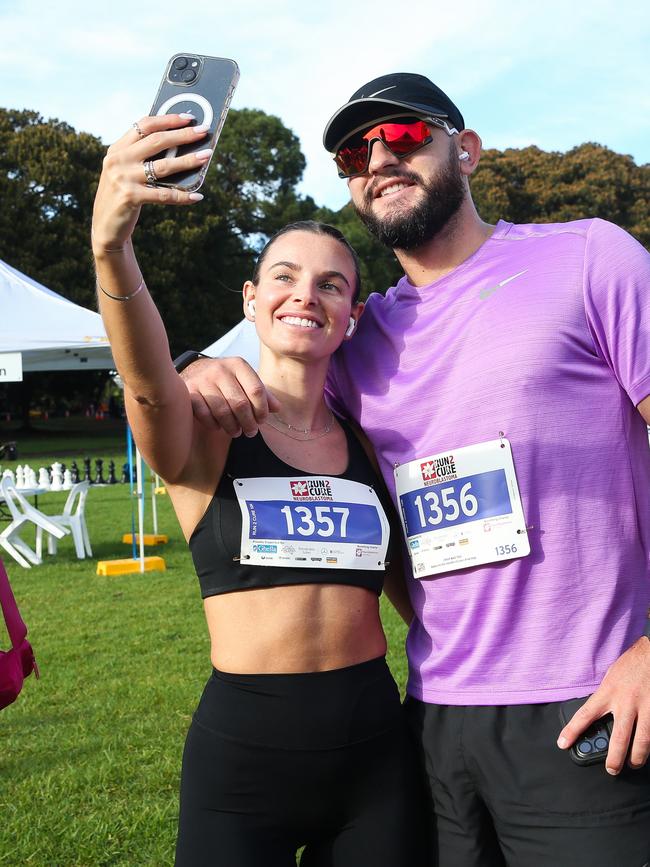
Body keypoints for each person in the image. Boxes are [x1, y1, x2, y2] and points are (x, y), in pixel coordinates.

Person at [180, 74, 650, 865]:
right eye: (355, 152)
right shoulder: (357, 343)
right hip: (431, 725)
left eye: (400, 137)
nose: (378, 159)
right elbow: (261, 390)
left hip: (592, 706)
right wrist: (196, 367)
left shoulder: (590, 257)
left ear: (465, 150)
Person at [91, 113, 426, 867]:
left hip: (375, 758)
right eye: (284, 276)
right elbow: (147, 386)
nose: (306, 294)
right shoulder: (204, 429)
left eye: (331, 284)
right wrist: (114, 249)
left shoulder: (373, 443)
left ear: (351, 316)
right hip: (242, 765)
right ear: (251, 299)